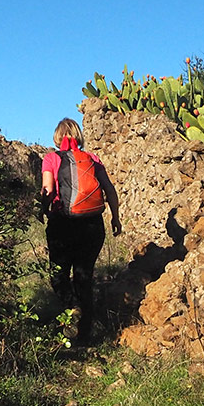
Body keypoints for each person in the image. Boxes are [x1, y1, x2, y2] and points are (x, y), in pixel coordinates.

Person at [41, 117, 121, 343]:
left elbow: (47, 189)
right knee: (84, 276)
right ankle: (85, 333)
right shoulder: (93, 159)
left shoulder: (51, 159)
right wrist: (115, 218)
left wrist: (43, 210)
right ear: (78, 135)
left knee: (59, 275)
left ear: (58, 137)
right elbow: (110, 190)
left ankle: (70, 308)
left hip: (62, 223)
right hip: (92, 225)